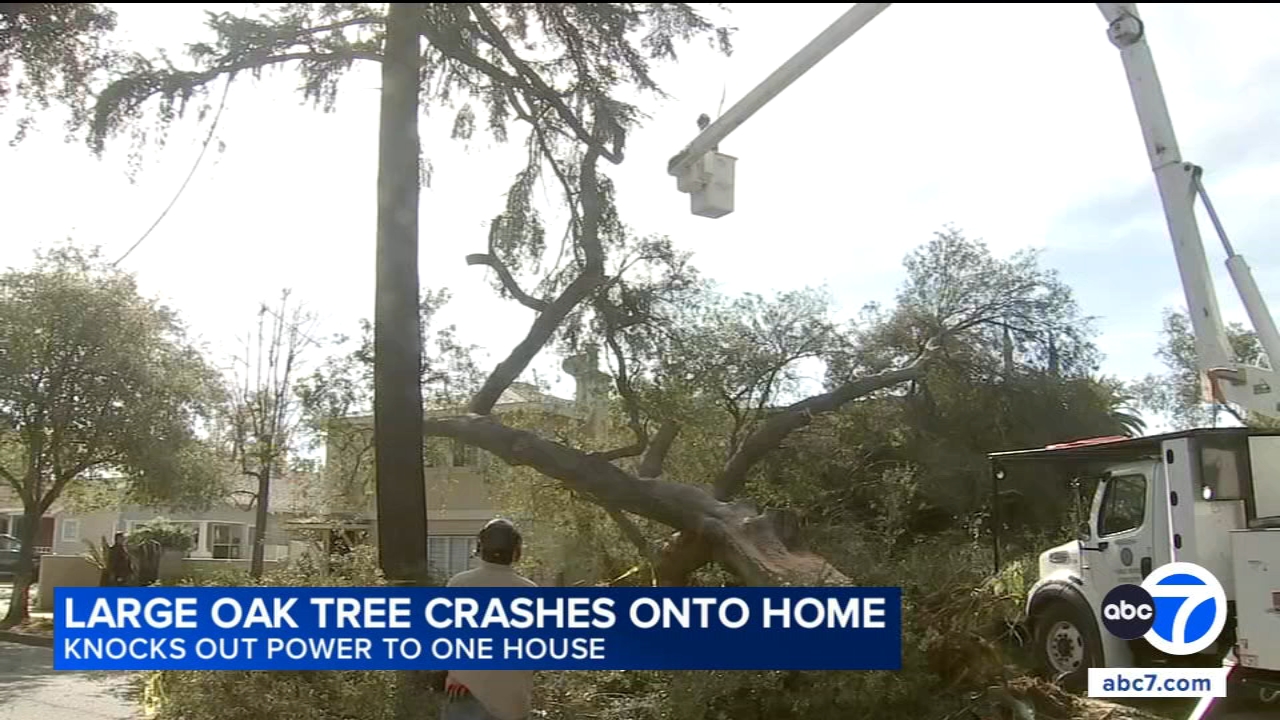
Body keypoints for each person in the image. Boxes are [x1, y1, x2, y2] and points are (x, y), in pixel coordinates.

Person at [442, 518, 537, 720]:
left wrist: (455, 673)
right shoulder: (529, 590)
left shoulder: (459, 584)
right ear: (516, 551)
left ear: (480, 547)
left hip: (465, 691)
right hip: (512, 698)